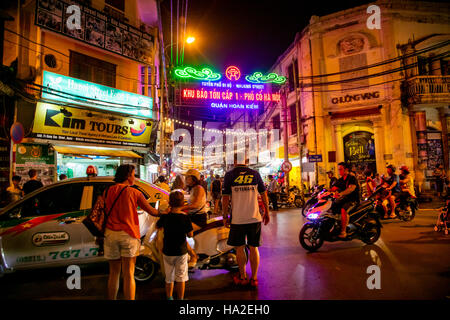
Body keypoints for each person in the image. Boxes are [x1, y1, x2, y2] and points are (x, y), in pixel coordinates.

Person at [104, 164, 161, 300]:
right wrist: (164, 212)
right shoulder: (134, 192)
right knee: (129, 274)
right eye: (133, 175)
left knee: (113, 273)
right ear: (128, 176)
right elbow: (151, 211)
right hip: (128, 234)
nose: (134, 178)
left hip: (110, 234)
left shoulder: (108, 191)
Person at [222, 161, 270, 288]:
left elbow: (225, 198)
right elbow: (264, 194)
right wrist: (267, 212)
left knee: (240, 248)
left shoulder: (229, 175)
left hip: (237, 219)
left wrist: (225, 215)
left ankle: (243, 277)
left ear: (234, 161)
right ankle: (254, 279)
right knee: (254, 248)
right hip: (254, 218)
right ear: (246, 161)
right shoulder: (255, 174)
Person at [156, 191, 193, 300]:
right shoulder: (185, 218)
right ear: (182, 203)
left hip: (167, 251)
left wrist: (166, 213)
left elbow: (158, 227)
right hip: (181, 251)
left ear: (169, 203)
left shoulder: (166, 216)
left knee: (169, 277)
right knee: (181, 277)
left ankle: (169, 297)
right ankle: (180, 298)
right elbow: (190, 235)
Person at [182, 169, 208, 268]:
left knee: (179, 233)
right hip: (191, 217)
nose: (185, 179)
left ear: (193, 178)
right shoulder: (192, 189)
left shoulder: (199, 188)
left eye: (187, 177)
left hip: (198, 219)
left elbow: (195, 204)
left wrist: (181, 208)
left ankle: (193, 255)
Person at [332, 162, 360, 238]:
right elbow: (334, 187)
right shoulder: (340, 180)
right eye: (338, 170)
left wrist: (341, 194)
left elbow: (351, 189)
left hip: (353, 200)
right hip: (344, 199)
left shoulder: (352, 178)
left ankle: (343, 231)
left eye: (340, 169)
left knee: (343, 210)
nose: (339, 171)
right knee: (333, 206)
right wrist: (324, 192)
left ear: (346, 170)